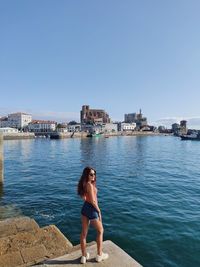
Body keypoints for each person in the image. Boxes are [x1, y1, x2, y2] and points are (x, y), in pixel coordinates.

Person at [77, 166, 109, 264]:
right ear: (87, 175)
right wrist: (98, 211)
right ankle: (99, 255)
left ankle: (84, 256)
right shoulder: (90, 185)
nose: (93, 176)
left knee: (83, 233)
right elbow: (93, 201)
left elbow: (84, 197)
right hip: (92, 209)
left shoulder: (84, 183)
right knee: (100, 231)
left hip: (85, 209)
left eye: (94, 174)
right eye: (91, 174)